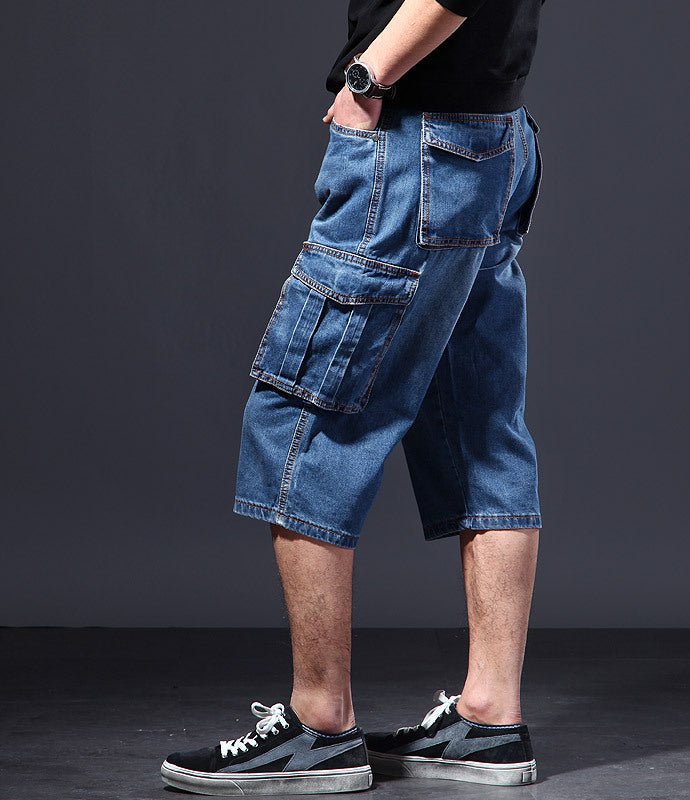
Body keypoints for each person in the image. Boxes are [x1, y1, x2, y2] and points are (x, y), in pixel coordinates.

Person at [160, 0, 546, 793]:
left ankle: (319, 727)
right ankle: (489, 718)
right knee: (481, 426)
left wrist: (369, 76)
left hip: (418, 145)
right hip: (496, 139)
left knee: (302, 417)